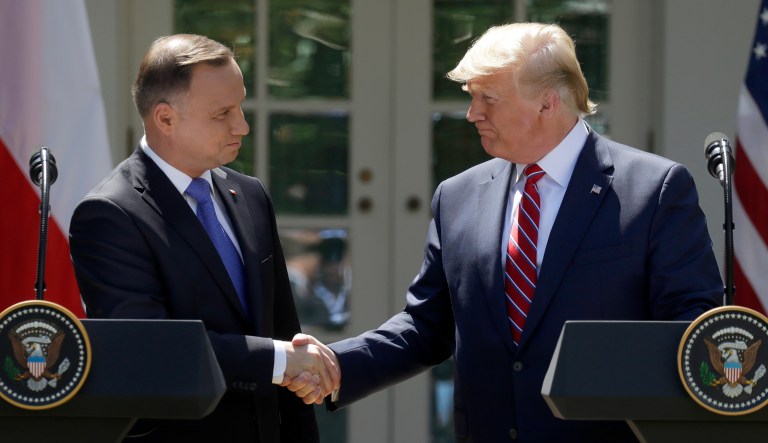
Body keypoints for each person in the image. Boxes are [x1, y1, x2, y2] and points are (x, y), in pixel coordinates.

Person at [285, 22, 724, 442]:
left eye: (488, 99)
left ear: (547, 103)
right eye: (471, 97)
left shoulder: (652, 189)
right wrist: (338, 364)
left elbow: (690, 322)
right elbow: (427, 324)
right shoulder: (457, 196)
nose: (472, 113)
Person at [68, 34, 338, 442]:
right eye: (222, 113)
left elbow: (284, 328)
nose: (242, 125)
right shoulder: (110, 215)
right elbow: (152, 350)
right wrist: (280, 361)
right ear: (165, 119)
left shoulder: (250, 195)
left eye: (240, 106)